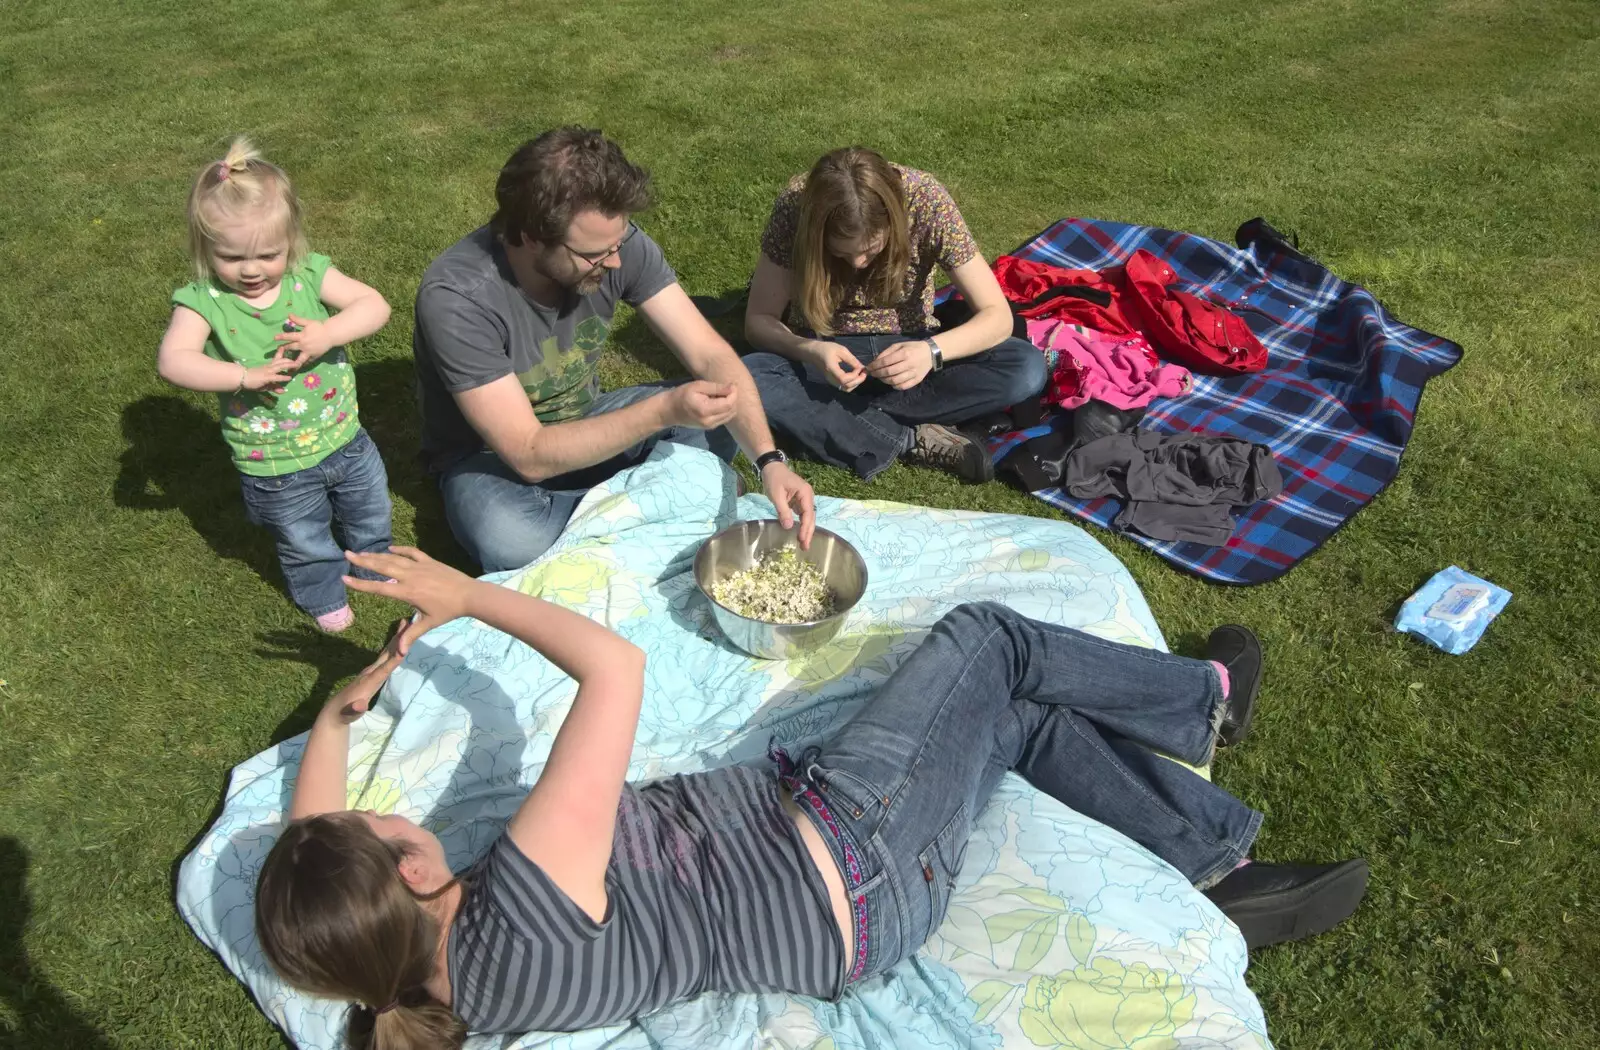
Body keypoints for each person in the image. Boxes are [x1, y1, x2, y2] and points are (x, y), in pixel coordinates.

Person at [255, 545, 1370, 1046]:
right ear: (409, 873)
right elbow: (615, 671)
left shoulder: (419, 983)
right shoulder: (524, 900)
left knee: (1017, 722)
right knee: (985, 641)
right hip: (846, 844)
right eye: (381, 820)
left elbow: (317, 855)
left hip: (860, 918)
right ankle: (1203, 702)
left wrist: (338, 720)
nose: (391, 810)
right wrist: (469, 596)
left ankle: (1216, 868)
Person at [413, 128, 816, 572]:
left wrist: (769, 460)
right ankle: (654, 504)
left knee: (721, 413)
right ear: (530, 237)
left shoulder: (612, 244)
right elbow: (527, 453)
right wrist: (664, 411)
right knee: (508, 539)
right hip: (494, 462)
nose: (616, 262)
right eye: (594, 254)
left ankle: (597, 528)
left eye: (618, 244)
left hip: (588, 419)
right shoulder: (458, 297)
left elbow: (710, 355)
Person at [156, 138, 393, 632]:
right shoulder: (204, 303)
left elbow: (375, 306)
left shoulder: (309, 276)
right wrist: (242, 377)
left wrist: (326, 332)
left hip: (345, 436)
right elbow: (174, 361)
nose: (251, 270)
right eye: (231, 257)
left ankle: (374, 563)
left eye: (268, 254)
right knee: (303, 536)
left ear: (291, 242)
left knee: (369, 511)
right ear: (204, 248)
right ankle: (322, 592)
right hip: (274, 460)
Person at [742, 148, 1049, 484]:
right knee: (749, 374)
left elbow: (998, 316)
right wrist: (810, 350)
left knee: (1026, 367)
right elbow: (758, 320)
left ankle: (831, 418)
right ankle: (908, 439)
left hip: (911, 347)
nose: (858, 263)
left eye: (870, 250)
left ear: (894, 219)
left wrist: (930, 352)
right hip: (824, 352)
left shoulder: (926, 199)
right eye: (841, 252)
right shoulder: (796, 207)